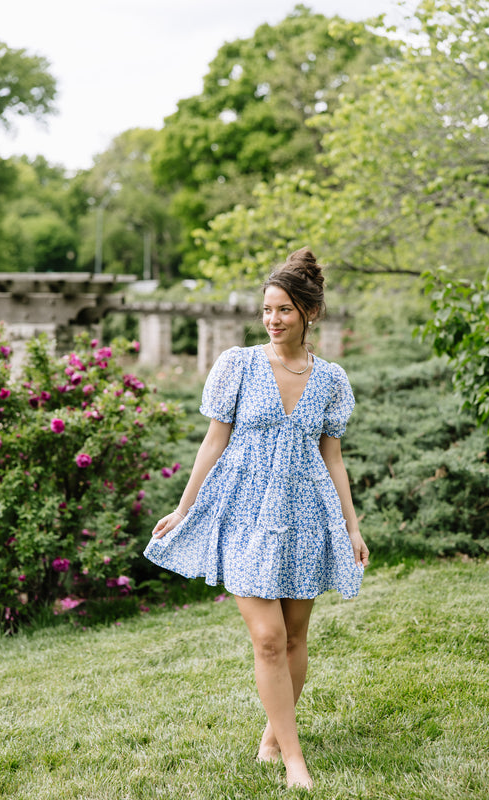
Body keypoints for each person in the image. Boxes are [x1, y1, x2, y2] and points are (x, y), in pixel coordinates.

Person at [144, 247, 369, 790]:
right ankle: (295, 760)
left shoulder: (331, 379)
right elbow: (213, 441)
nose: (273, 319)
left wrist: (351, 526)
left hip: (305, 515)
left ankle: (273, 736)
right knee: (268, 637)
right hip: (243, 514)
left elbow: (333, 458)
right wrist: (184, 507)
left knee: (294, 637)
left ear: (309, 312)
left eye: (284, 309)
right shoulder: (238, 366)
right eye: (267, 309)